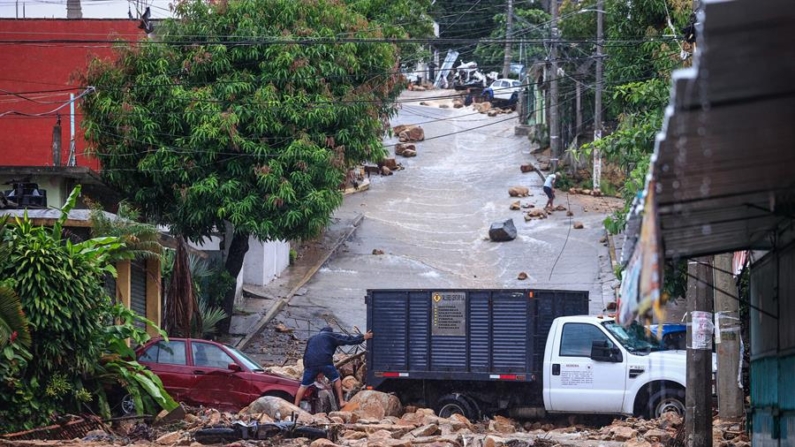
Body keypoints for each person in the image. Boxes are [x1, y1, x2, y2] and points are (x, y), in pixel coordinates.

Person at [293, 326, 373, 408]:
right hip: (325, 361)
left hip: (310, 362)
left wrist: (307, 368)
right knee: (336, 379)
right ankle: (341, 402)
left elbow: (306, 354)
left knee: (303, 385)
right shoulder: (331, 336)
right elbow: (348, 340)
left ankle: (295, 406)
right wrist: (363, 337)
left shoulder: (312, 338)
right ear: (331, 332)